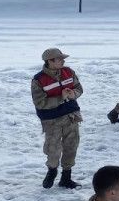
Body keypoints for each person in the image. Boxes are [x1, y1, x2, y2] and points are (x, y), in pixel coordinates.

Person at [32, 48, 83, 189]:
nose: (63, 61)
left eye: (63, 58)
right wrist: (61, 97)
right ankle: (52, 171)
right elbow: (40, 103)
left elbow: (79, 88)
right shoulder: (38, 80)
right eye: (59, 59)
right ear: (50, 61)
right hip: (52, 120)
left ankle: (66, 177)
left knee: (71, 146)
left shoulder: (69, 72)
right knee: (53, 148)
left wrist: (74, 94)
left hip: (71, 116)